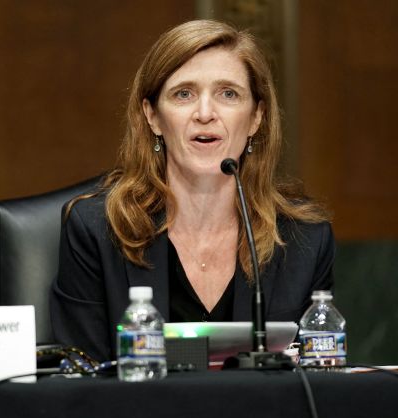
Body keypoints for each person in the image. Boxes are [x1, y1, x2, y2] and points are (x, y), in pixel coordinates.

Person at [50, 20, 334, 362]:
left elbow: (318, 383)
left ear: (256, 117)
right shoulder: (97, 229)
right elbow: (82, 379)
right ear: (153, 116)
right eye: (183, 94)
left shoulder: (306, 239)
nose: (204, 113)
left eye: (228, 94)